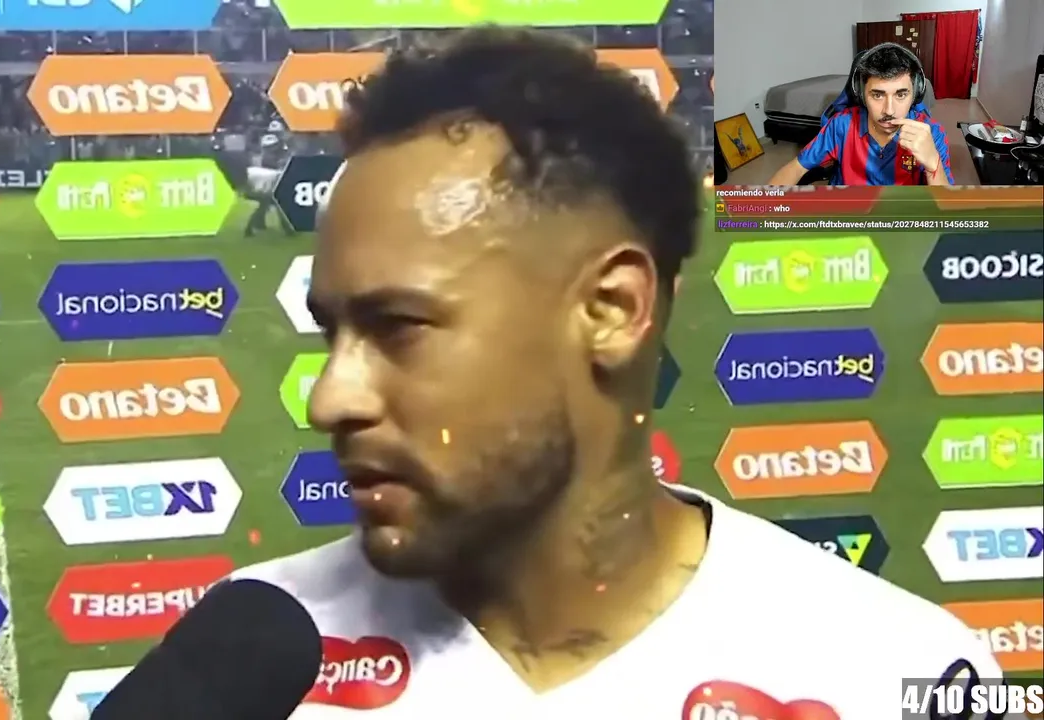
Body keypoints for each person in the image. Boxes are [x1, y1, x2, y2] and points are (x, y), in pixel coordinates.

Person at [232, 27, 998, 716]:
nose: (330, 398)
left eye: (399, 325)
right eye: (331, 332)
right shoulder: (242, 669)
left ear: (612, 310)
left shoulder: (896, 672)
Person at [768, 42, 954, 186]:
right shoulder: (841, 125)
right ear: (861, 95)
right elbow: (796, 168)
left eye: (901, 94)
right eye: (877, 95)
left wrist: (933, 163)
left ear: (915, 93)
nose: (889, 110)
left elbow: (944, 208)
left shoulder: (932, 133)